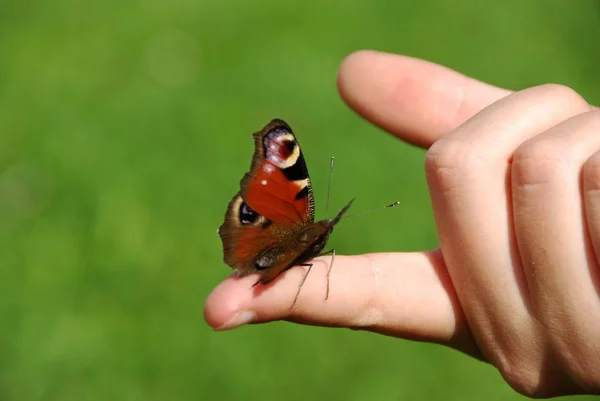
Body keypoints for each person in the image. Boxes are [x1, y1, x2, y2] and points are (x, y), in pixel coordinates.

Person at [204, 50, 600, 398]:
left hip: (261, 234)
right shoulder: (314, 229)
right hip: (274, 249)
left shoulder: (299, 210)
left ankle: (253, 248)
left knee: (281, 211)